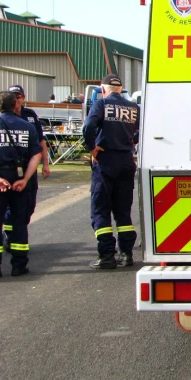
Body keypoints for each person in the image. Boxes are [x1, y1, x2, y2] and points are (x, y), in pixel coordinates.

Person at [83, 74, 140, 269]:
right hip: (126, 161)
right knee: (123, 210)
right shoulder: (133, 107)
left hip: (105, 161)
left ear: (103, 88)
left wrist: (92, 147)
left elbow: (88, 127)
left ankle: (107, 255)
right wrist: (134, 140)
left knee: (101, 209)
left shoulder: (101, 104)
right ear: (121, 89)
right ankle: (127, 254)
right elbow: (143, 128)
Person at [0, 91, 43, 277]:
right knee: (19, 222)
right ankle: (19, 265)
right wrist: (25, 179)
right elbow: (36, 154)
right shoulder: (26, 126)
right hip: (20, 176)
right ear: (15, 105)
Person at [2, 85, 50, 253]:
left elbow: (41, 142)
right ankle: (10, 235)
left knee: (28, 206)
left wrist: (45, 163)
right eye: (13, 96)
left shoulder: (30, 116)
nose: (17, 99)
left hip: (28, 168)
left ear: (23, 98)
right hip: (7, 169)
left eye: (19, 96)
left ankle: (17, 230)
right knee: (9, 206)